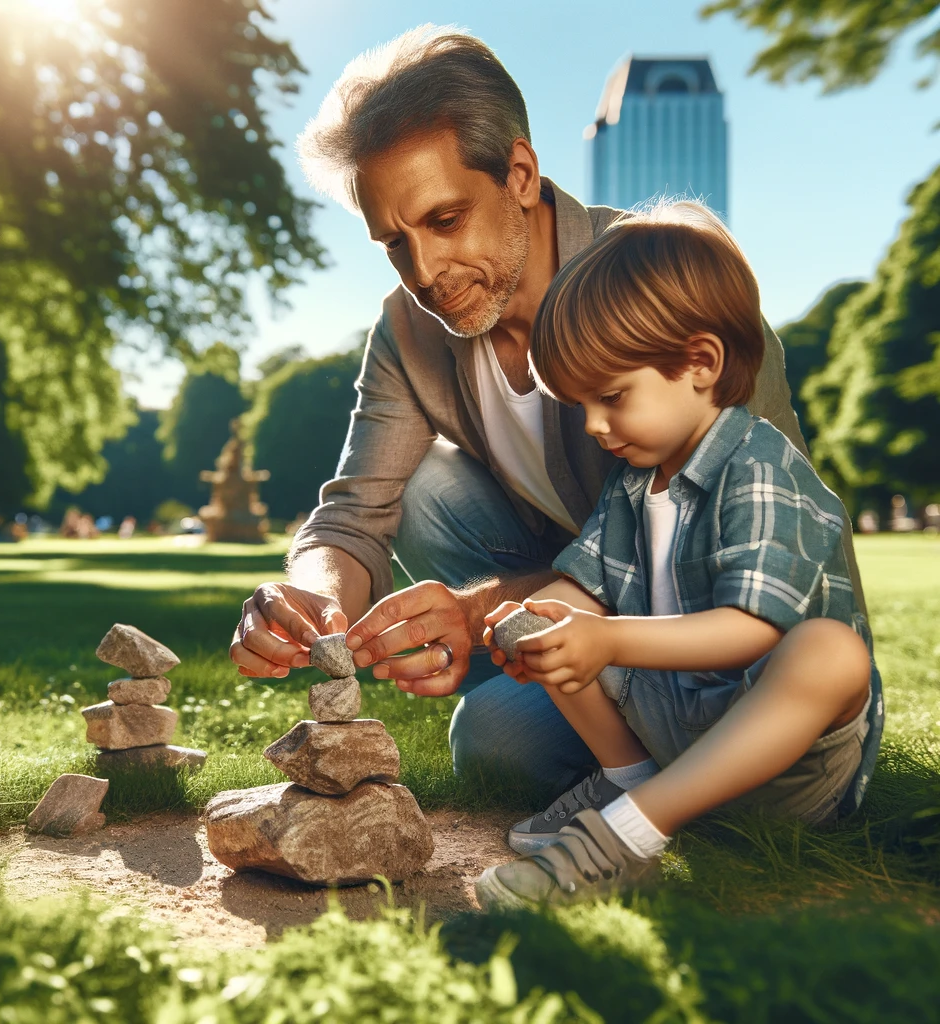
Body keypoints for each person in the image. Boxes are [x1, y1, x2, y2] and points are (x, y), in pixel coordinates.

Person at [229, 25, 868, 803]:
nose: (424, 272)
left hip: (730, 635)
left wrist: (479, 610)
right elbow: (354, 514)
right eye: (394, 243)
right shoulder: (407, 331)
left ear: (521, 174)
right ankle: (604, 729)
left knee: (496, 738)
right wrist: (310, 593)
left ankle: (682, 766)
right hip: (585, 606)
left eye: (444, 220)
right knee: (424, 491)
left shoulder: (665, 288)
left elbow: (749, 549)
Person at [473, 202, 883, 908]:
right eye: (581, 408)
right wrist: (541, 627)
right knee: (557, 614)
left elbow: (750, 630)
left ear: (701, 363)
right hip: (677, 734)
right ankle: (630, 786)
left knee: (830, 652)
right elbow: (586, 591)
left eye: (611, 397)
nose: (596, 426)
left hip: (786, 766)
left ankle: (626, 834)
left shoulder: (759, 466)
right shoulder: (634, 485)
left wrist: (606, 639)